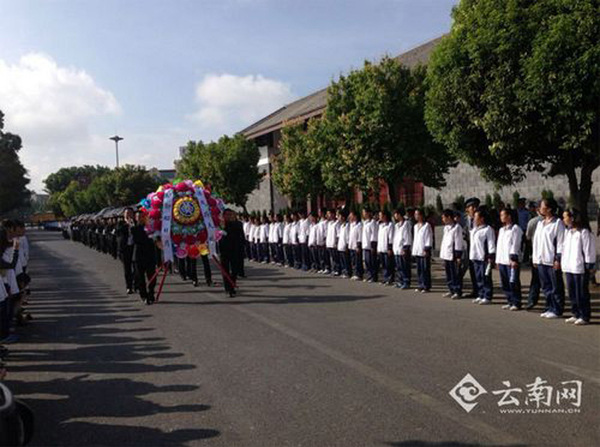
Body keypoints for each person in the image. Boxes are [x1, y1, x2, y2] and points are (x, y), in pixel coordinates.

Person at [532, 198, 566, 319]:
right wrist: (535, 259)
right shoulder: (540, 223)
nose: (539, 208)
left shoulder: (557, 223)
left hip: (551, 260)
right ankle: (549, 306)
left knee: (555, 285)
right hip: (541, 260)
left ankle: (557, 309)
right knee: (546, 286)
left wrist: (558, 258)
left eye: (541, 206)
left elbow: (561, 242)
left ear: (549, 208)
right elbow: (536, 242)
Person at [562, 210, 595, 325]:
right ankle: (575, 313)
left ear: (572, 218)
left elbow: (588, 250)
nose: (563, 219)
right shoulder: (568, 232)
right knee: (571, 292)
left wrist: (589, 265)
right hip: (569, 266)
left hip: (580, 267)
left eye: (565, 217)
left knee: (581, 292)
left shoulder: (583, 232)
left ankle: (584, 315)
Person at [496, 208, 523, 310]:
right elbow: (499, 246)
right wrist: (497, 260)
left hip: (511, 261)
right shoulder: (502, 230)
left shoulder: (515, 229)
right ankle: (509, 300)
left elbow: (515, 245)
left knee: (513, 282)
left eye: (503, 215)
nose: (501, 217)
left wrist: (513, 258)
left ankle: (516, 302)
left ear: (509, 216)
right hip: (502, 260)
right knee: (505, 282)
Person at [469, 209, 496, 305]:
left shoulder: (488, 229)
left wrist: (491, 256)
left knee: (486, 277)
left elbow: (491, 243)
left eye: (476, 217)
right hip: (475, 256)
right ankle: (480, 294)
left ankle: (487, 296)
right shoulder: (474, 229)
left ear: (482, 218)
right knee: (478, 277)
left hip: (484, 257)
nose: (474, 219)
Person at [131, 210, 157, 305]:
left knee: (152, 277)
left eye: (142, 216)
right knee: (140, 278)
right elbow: (135, 239)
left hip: (150, 255)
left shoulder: (150, 227)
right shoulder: (133, 228)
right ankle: (144, 295)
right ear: (135, 218)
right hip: (138, 256)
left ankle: (151, 293)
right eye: (138, 217)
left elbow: (155, 238)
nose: (140, 218)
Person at [0, 227, 19, 343]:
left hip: (3, 287)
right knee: (3, 315)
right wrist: (16, 250)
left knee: (4, 313)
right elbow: (11, 265)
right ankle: (3, 336)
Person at [439, 209, 464, 299]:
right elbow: (445, 242)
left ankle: (457, 291)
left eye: (443, 217)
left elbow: (458, 242)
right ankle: (451, 289)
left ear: (449, 217)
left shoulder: (457, 227)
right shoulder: (446, 228)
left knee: (455, 273)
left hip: (453, 255)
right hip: (446, 254)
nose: (442, 219)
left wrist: (458, 255)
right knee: (448, 273)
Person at [219, 209, 242, 297]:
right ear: (224, 215)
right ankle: (228, 288)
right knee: (225, 271)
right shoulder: (220, 225)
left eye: (231, 215)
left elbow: (240, 237)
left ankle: (232, 284)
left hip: (234, 250)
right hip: (224, 251)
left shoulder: (237, 224)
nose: (229, 216)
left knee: (235, 270)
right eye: (227, 215)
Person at [462, 197, 481, 298]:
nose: (474, 209)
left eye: (475, 206)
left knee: (479, 269)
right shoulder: (465, 219)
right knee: (472, 269)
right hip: (469, 246)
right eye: (471, 207)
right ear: (467, 209)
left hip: (479, 247)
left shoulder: (481, 217)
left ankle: (482, 291)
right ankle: (475, 290)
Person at [525, 202, 543, 309]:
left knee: (535, 280)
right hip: (543, 255)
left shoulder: (533, 222)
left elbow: (528, 236)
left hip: (536, 253)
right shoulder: (537, 222)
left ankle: (532, 300)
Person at [412, 208, 433, 293]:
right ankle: (420, 284)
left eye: (417, 214)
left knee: (425, 269)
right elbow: (416, 239)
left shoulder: (427, 225)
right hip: (417, 250)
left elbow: (429, 238)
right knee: (419, 269)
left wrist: (427, 249)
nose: (415, 216)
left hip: (424, 251)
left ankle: (426, 286)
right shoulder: (415, 226)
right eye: (415, 214)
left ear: (421, 215)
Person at [116, 208, 136, 294]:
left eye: (130, 213)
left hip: (134, 247)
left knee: (136, 268)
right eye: (127, 213)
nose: (128, 215)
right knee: (127, 268)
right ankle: (129, 286)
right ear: (124, 214)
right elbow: (118, 231)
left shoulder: (135, 222)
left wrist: (133, 225)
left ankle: (136, 284)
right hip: (125, 248)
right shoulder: (120, 223)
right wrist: (127, 224)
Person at [392, 207, 412, 289]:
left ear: (399, 214)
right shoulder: (397, 225)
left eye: (396, 214)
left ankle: (406, 281)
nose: (395, 216)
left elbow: (407, 236)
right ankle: (400, 281)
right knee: (399, 266)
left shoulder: (406, 224)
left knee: (404, 266)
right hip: (397, 249)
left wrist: (405, 248)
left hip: (403, 249)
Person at [377, 210, 394, 285]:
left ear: (385, 216)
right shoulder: (380, 225)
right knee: (383, 264)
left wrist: (390, 248)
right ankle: (385, 277)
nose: (379, 217)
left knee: (388, 264)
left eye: (380, 215)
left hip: (387, 248)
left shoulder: (390, 225)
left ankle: (390, 278)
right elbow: (379, 237)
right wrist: (378, 248)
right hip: (381, 247)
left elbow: (390, 237)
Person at [361, 208, 379, 283]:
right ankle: (369, 275)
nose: (363, 214)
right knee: (367, 262)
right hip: (365, 245)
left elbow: (373, 234)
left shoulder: (372, 222)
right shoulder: (365, 222)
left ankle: (373, 276)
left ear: (368, 213)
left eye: (364, 212)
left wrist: (373, 245)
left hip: (370, 245)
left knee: (372, 262)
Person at [348, 210, 363, 281]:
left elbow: (359, 236)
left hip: (356, 246)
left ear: (355, 216)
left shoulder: (359, 225)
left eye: (351, 215)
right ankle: (355, 273)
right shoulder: (351, 225)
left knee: (358, 261)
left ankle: (359, 274)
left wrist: (358, 245)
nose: (350, 217)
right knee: (353, 260)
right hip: (351, 245)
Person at [325, 209, 340, 275]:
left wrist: (337, 242)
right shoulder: (329, 223)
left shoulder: (337, 223)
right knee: (331, 257)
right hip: (329, 243)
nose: (328, 215)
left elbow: (338, 234)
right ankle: (333, 269)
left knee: (336, 258)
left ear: (333, 214)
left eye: (329, 214)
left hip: (334, 243)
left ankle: (337, 269)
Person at [336, 210, 351, 278]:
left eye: (339, 216)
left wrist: (347, 245)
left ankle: (348, 272)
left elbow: (347, 236)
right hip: (341, 246)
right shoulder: (342, 225)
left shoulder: (347, 225)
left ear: (343, 217)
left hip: (345, 246)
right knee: (342, 260)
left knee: (346, 260)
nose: (338, 217)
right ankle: (344, 271)